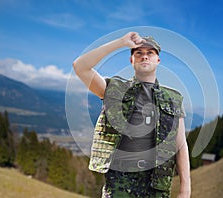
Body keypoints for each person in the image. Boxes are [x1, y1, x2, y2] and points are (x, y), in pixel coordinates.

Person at [73, 32, 191, 198]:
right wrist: (121, 42)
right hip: (120, 184)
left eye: (150, 53)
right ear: (131, 60)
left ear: (158, 60)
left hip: (157, 186)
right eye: (139, 53)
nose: (144, 57)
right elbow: (80, 67)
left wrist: (185, 189)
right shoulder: (114, 89)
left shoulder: (173, 98)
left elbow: (180, 145)